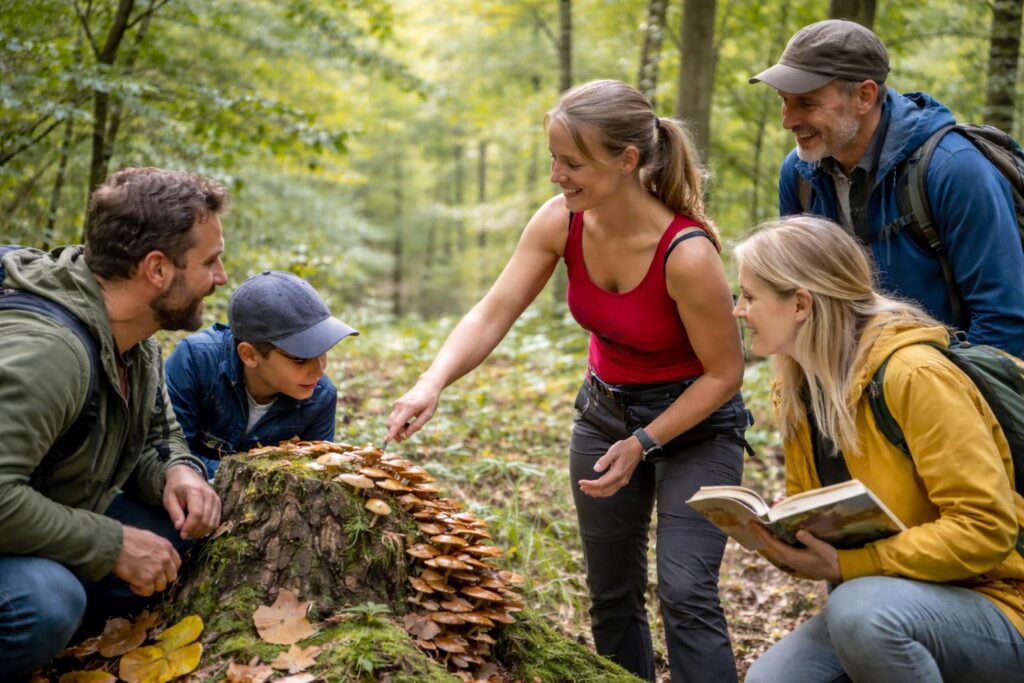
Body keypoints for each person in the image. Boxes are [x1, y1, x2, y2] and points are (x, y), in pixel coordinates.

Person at [385, 79, 750, 682]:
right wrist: (432, 382)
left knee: (685, 591)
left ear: (626, 160)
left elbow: (725, 373)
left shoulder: (686, 253)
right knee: (612, 593)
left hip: (696, 427)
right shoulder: (560, 221)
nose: (556, 175)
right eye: (553, 158)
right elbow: (493, 311)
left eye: (572, 163)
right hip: (604, 416)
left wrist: (644, 442)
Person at [732, 215, 1024, 683]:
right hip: (889, 598)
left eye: (749, 297)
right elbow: (824, 525)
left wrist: (851, 564)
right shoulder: (798, 389)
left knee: (859, 612)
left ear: (801, 304)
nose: (738, 311)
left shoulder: (915, 376)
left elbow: (986, 527)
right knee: (771, 679)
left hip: (1001, 601)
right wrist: (786, 535)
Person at [0, 167, 227, 679]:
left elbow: (156, 433)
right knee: (44, 603)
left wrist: (178, 471)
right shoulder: (49, 355)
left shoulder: (132, 335)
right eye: (210, 261)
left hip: (50, 505)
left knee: (185, 530)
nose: (221, 277)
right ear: (156, 269)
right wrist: (113, 545)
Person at [749, 19, 1024, 357]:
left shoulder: (954, 170)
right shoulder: (799, 175)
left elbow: (1004, 324)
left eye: (806, 103)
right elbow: (795, 304)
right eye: (784, 100)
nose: (787, 120)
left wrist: (931, 388)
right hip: (848, 383)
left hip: (947, 381)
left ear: (864, 96)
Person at [165, 271, 358, 478]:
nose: (319, 370)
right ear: (249, 355)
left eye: (322, 352)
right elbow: (168, 454)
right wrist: (249, 479)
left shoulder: (321, 396)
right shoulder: (194, 362)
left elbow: (313, 475)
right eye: (300, 358)